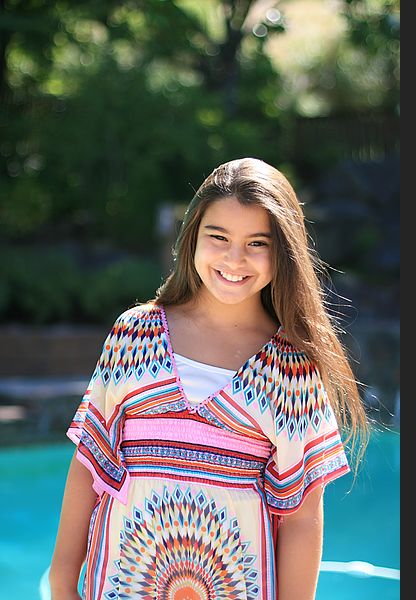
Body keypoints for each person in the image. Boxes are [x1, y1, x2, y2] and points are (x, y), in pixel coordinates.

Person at [49, 158, 368, 600]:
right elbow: (90, 462)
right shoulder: (134, 334)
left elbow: (301, 516)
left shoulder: (291, 369)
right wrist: (63, 582)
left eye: (258, 243)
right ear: (192, 237)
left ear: (284, 253)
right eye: (218, 237)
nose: (234, 258)